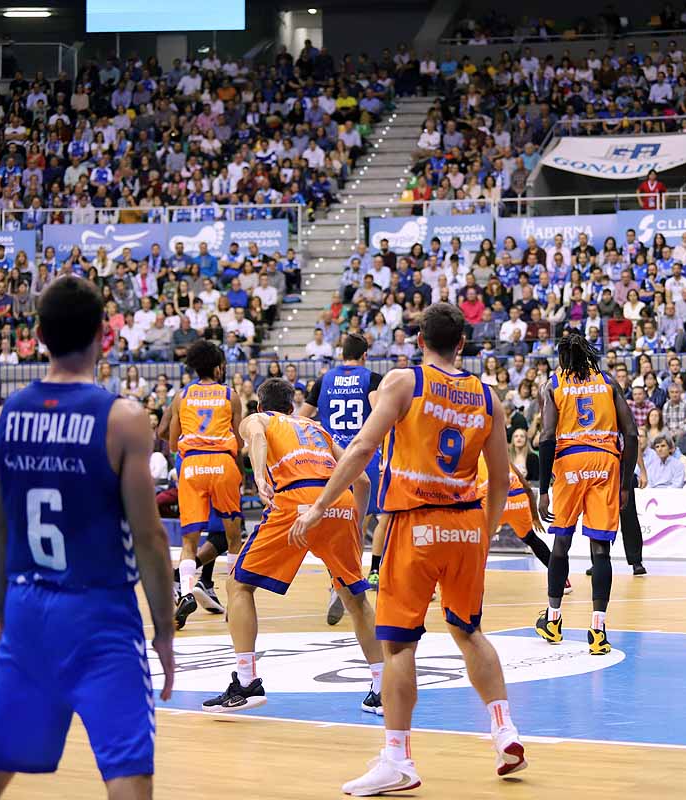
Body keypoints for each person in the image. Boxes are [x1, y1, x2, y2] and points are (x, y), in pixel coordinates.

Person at [290, 303, 527, 793]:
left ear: (420, 341)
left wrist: (317, 508)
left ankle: (397, 759)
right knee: (469, 631)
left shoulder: (404, 382)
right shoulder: (489, 397)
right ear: (462, 343)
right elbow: (501, 480)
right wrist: (481, 534)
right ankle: (504, 729)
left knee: (399, 646)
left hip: (413, 525)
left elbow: (360, 450)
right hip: (465, 526)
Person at [0, 276, 176, 799]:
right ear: (105, 335)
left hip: (28, 611)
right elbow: (149, 539)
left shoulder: (6, 418)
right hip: (99, 613)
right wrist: (165, 631)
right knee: (128, 778)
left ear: (37, 334)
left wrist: (1, 624)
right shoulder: (123, 419)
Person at [206, 379, 385, 717]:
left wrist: (258, 476)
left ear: (261, 406)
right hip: (340, 500)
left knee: (238, 584)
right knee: (355, 599)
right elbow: (361, 480)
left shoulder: (260, 420)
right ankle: (381, 687)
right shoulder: (316, 428)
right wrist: (352, 523)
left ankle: (246, 683)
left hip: (296, 499)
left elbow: (257, 437)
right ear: (292, 406)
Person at [535, 329, 637, 655]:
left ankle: (553, 621)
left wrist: (543, 490)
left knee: (561, 543)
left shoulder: (553, 385)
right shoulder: (608, 383)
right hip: (605, 462)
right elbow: (632, 435)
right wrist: (624, 483)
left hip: (569, 464)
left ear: (563, 357)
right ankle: (597, 632)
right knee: (601, 552)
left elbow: (548, 437)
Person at [298, 332, 386, 625]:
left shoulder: (323, 380)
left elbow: (302, 418)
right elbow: (379, 410)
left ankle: (336, 580)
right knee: (358, 525)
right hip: (364, 458)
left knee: (336, 523)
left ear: (341, 353)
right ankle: (346, 582)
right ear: (364, 355)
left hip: (331, 458)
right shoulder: (370, 378)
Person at [169, 340, 243, 629]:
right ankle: (235, 600)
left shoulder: (181, 396)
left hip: (192, 466)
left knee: (189, 541)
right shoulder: (230, 395)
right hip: (222, 463)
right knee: (234, 537)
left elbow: (174, 441)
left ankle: (186, 591)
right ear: (217, 366)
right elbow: (240, 438)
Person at [477, 455, 568, 593]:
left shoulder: (470, 459)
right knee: (531, 539)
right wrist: (535, 516)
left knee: (476, 542)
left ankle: (472, 583)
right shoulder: (503, 458)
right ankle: (563, 580)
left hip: (494, 500)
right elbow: (527, 487)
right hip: (518, 500)